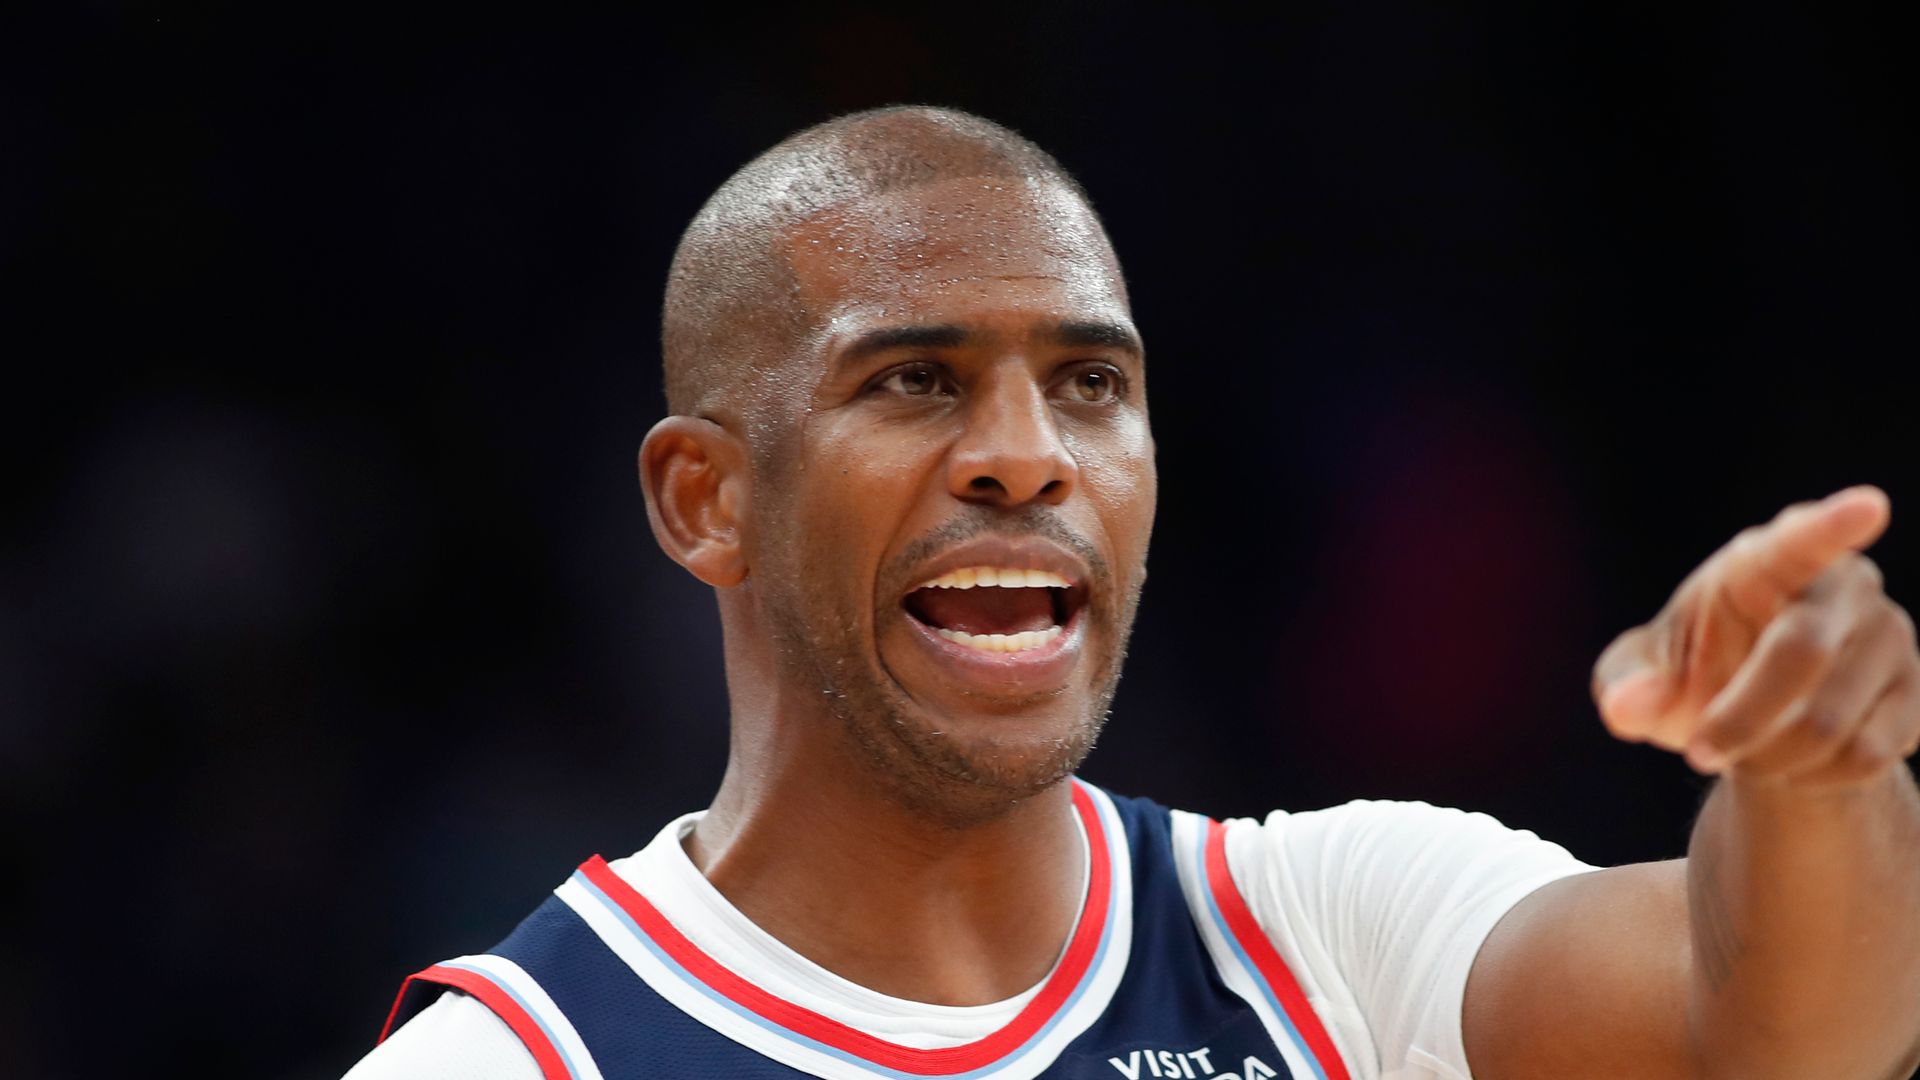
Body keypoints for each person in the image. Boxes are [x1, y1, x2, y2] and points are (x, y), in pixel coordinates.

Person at [343, 106, 1920, 1080]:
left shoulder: (1316, 931)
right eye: (913, 380)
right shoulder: (517, 1061)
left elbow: (1781, 1031)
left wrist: (1818, 775)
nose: (1027, 458)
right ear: (709, 499)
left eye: (1090, 381)